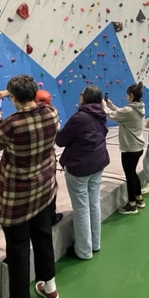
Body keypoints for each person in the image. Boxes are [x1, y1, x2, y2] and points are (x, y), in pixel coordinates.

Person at [0, 75, 60, 298]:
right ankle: (50, 287)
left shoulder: (11, 124)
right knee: (43, 237)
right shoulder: (51, 113)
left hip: (17, 197)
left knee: (17, 249)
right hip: (44, 191)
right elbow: (30, 106)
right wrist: (9, 93)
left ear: (15, 99)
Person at [56, 85, 109, 260]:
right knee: (93, 203)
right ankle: (95, 243)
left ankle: (84, 251)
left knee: (81, 209)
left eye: (81, 94)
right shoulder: (101, 114)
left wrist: (56, 129)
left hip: (80, 167)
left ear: (85, 98)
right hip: (98, 164)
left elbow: (60, 140)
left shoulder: (80, 117)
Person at [104, 82, 146, 214]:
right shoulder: (139, 107)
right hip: (138, 147)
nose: (126, 97)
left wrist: (104, 107)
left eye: (127, 95)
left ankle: (132, 204)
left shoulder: (129, 110)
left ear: (131, 95)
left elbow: (112, 115)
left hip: (130, 149)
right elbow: (121, 113)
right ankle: (139, 199)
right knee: (133, 173)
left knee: (130, 176)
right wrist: (111, 105)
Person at [35, 89, 64, 226]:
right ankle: (51, 216)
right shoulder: (52, 116)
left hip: (34, 161)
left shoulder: (28, 119)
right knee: (51, 188)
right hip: (48, 158)